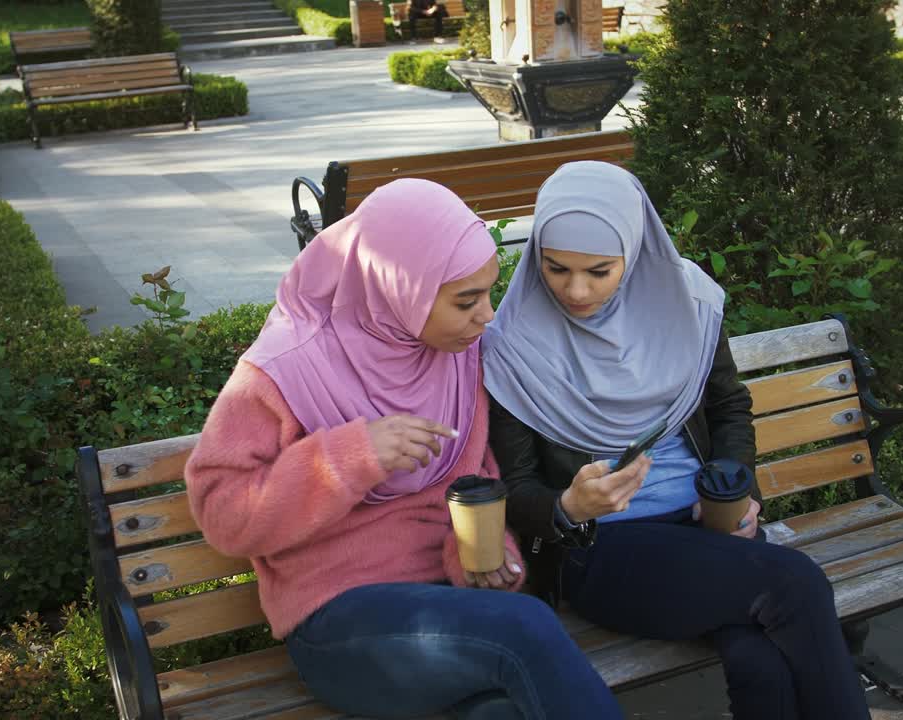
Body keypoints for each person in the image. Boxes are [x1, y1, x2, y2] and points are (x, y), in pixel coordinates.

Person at [184, 178, 622, 720]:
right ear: (399, 287)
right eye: (466, 301)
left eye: (489, 292)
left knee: (500, 713)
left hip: (450, 605)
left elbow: (475, 478)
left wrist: (485, 556)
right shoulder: (285, 367)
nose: (487, 316)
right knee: (527, 629)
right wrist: (348, 456)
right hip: (339, 618)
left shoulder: (454, 354)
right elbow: (222, 514)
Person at [482, 161, 872, 720]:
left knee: (760, 662)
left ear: (635, 253)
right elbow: (515, 488)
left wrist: (740, 487)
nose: (576, 289)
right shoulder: (514, 345)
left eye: (599, 270)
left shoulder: (687, 305)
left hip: (707, 523)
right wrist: (569, 506)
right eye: (556, 268)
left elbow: (729, 407)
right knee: (797, 585)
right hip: (603, 549)